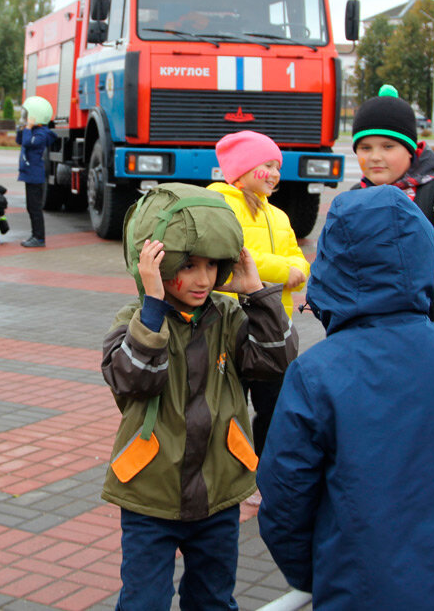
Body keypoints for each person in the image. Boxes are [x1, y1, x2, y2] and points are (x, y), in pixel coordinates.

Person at [257, 185, 434, 610]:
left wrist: (316, 571)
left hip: (361, 588)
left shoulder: (317, 372)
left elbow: (285, 498)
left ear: (333, 265)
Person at [102, 183, 298, 610]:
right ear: (154, 264)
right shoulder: (134, 321)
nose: (204, 278)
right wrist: (153, 309)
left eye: (213, 265)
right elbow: (133, 381)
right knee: (144, 601)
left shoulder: (229, 316)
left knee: (212, 599)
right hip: (150, 491)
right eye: (188, 265)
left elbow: (277, 361)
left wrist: (256, 294)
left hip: (218, 491)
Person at [207, 130, 308, 465]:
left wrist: (297, 269)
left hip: (272, 328)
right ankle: (227, 468)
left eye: (277, 166)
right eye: (267, 165)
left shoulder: (277, 215)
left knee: (275, 405)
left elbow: (298, 258)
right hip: (232, 327)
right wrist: (284, 271)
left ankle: (263, 466)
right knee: (228, 403)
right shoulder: (221, 206)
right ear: (242, 169)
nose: (275, 173)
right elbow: (235, 255)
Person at [351, 84, 434, 326]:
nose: (375, 157)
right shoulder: (353, 198)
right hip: (364, 334)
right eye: (365, 147)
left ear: (410, 150)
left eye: (388, 146)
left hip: (427, 333)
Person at [15, 95, 57, 248]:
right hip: (29, 174)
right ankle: (35, 235)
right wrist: (22, 128)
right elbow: (20, 141)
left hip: (35, 175)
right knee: (30, 207)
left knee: (35, 208)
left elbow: (28, 142)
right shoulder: (33, 131)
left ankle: (39, 238)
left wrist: (27, 129)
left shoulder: (42, 133)